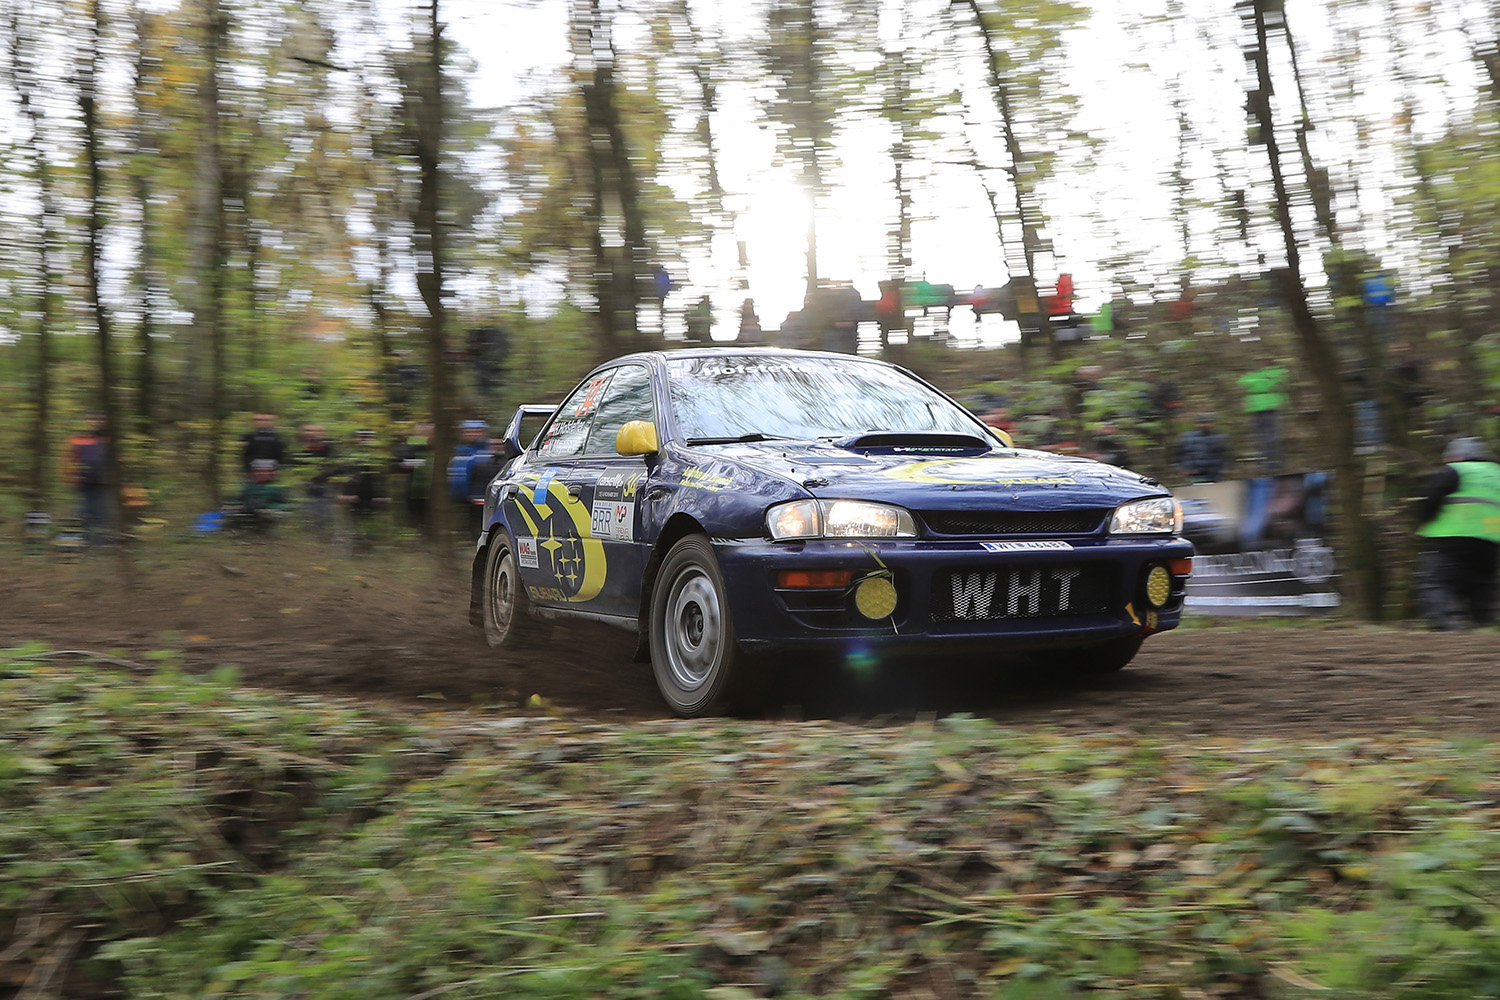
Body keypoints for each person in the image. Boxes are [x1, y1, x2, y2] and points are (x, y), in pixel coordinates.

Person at [1413, 437, 1500, 630]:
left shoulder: (1457, 470)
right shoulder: (1497, 473)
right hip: (1489, 543)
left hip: (1452, 538)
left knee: (1435, 582)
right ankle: (1487, 627)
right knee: (1481, 586)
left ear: (1457, 456)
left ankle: (1449, 624)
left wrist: (1424, 520)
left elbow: (1430, 499)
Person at [61, 412, 110, 542]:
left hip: (104, 482)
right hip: (83, 482)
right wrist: (68, 477)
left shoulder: (109, 438)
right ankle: (73, 539)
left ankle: (97, 541)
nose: (97, 421)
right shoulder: (78, 438)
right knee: (84, 510)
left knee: (101, 511)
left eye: (101, 418)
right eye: (94, 418)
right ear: (87, 420)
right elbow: (67, 459)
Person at [338, 429, 388, 553]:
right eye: (362, 436)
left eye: (369, 436)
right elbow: (342, 475)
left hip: (375, 500)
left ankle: (370, 552)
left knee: (373, 529)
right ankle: (357, 551)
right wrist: (342, 495)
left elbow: (384, 478)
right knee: (355, 527)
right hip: (354, 500)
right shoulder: (350, 457)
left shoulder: (382, 458)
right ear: (357, 438)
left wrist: (385, 497)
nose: (365, 439)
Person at [1238, 361, 1288, 470]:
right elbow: (1242, 382)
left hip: (1264, 408)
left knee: (1266, 436)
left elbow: (1243, 382)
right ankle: (1269, 462)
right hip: (1262, 408)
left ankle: (1269, 462)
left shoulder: (1254, 376)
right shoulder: (1272, 375)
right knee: (1266, 436)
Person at [291, 423, 338, 540]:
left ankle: (323, 537)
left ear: (323, 434)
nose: (312, 434)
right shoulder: (297, 448)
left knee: (323, 514)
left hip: (325, 486)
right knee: (304, 513)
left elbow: (337, 467)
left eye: (316, 431)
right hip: (303, 486)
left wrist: (326, 477)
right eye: (308, 430)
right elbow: (292, 465)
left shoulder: (330, 448)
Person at [393, 422, 432, 535]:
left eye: (428, 432)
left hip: (431, 491)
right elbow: (397, 463)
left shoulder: (435, 446)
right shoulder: (408, 446)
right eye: (423, 431)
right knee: (414, 518)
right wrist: (415, 464)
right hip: (413, 490)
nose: (426, 434)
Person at [1175, 413, 1229, 483]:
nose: (1205, 425)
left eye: (1208, 422)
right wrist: (1180, 469)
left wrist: (1222, 471)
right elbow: (1176, 455)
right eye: (1202, 422)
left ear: (1213, 424)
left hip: (1213, 476)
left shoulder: (1220, 438)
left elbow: (1225, 456)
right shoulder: (1186, 438)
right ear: (1197, 424)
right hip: (1192, 476)